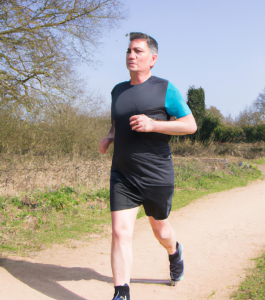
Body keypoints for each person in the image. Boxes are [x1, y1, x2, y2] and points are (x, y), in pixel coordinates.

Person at [99, 32, 197, 300]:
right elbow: (119, 120)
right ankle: (121, 293)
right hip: (122, 174)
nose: (131, 55)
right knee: (120, 233)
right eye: (129, 50)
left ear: (153, 58)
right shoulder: (118, 90)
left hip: (156, 174)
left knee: (160, 230)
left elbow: (190, 125)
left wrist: (154, 125)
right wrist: (110, 136)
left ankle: (174, 251)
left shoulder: (166, 89)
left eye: (138, 51)